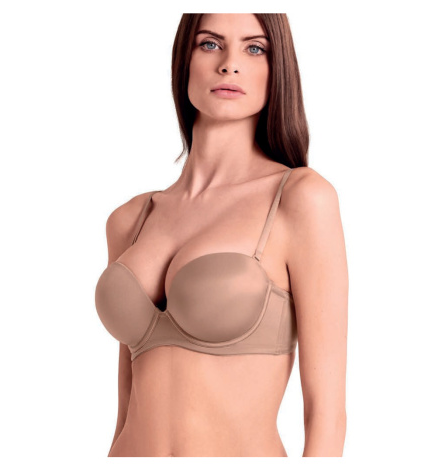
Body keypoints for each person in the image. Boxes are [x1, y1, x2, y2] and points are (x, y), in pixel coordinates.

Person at [95, 13, 348, 457]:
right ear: (184, 59)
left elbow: (326, 412)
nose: (229, 63)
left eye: (255, 48)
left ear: (277, 68)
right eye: (210, 44)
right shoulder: (129, 220)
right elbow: (126, 404)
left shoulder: (300, 199)